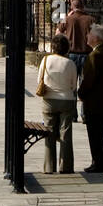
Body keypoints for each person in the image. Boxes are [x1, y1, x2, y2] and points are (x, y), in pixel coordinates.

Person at [77, 24, 103, 172]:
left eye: (89, 34)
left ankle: (99, 162)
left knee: (94, 134)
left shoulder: (94, 56)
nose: (87, 36)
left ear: (96, 38)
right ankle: (102, 162)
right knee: (101, 134)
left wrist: (81, 93)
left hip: (94, 100)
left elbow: (89, 78)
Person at [37, 33, 78, 173]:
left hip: (49, 100)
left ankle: (49, 167)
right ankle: (65, 167)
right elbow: (73, 85)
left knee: (49, 132)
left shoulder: (46, 60)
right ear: (66, 48)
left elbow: (39, 80)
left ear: (53, 47)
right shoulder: (70, 63)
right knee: (65, 133)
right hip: (66, 100)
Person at [57, 0, 95, 78]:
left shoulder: (68, 19)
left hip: (71, 54)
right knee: (84, 83)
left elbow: (58, 33)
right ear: (83, 7)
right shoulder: (91, 19)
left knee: (71, 82)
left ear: (72, 7)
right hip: (86, 54)